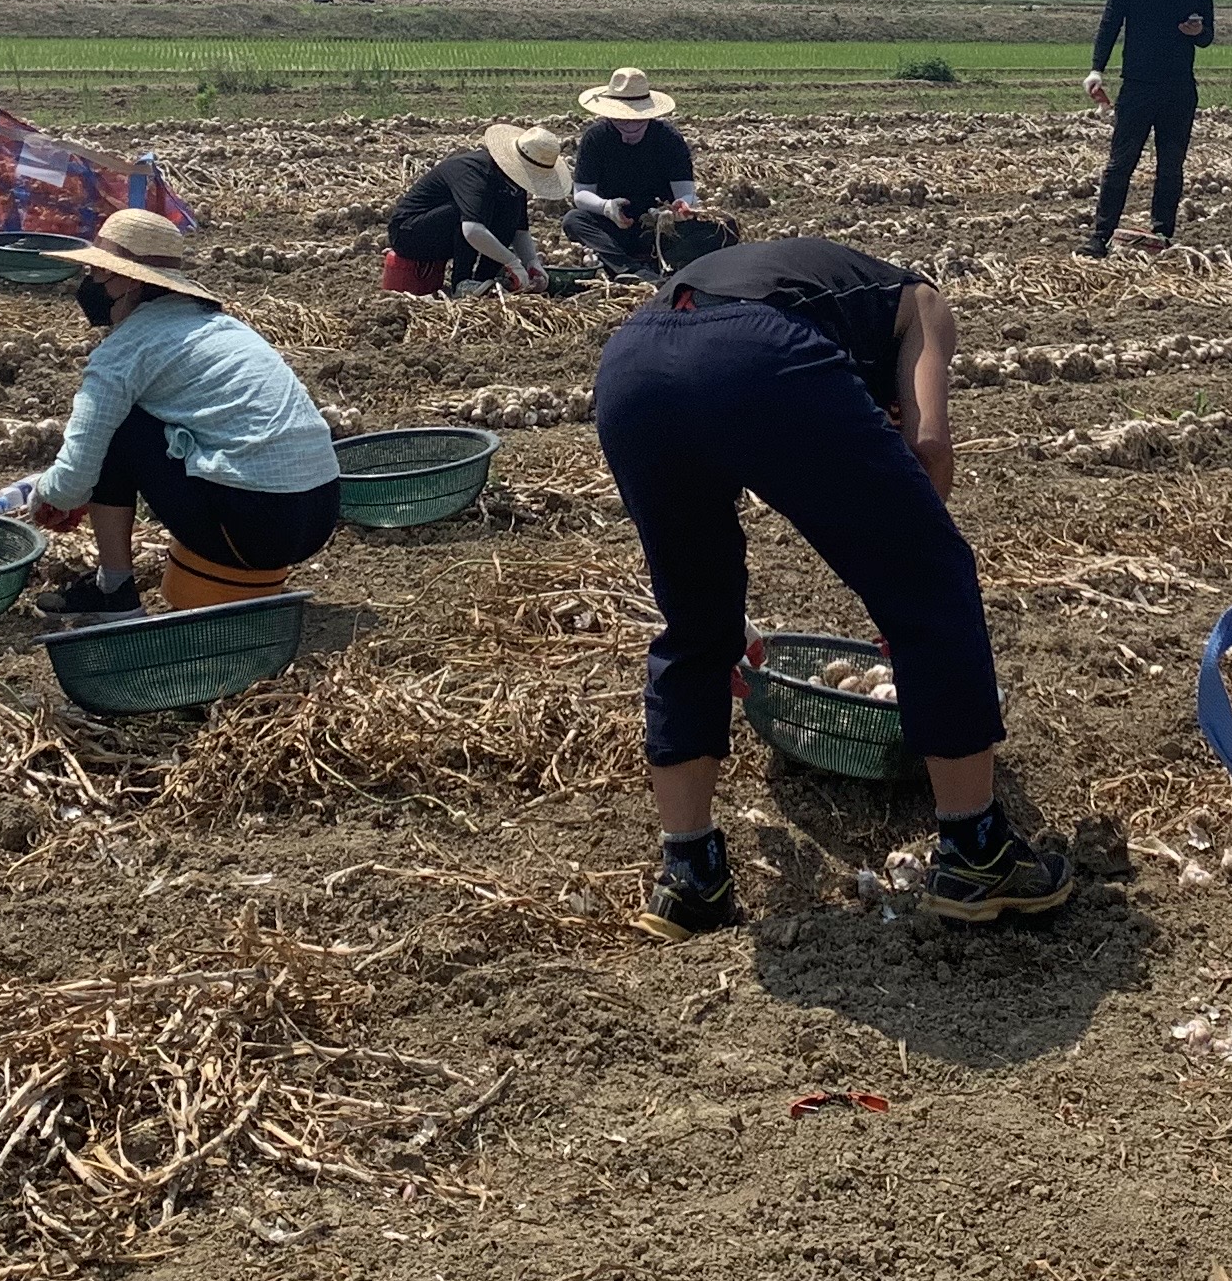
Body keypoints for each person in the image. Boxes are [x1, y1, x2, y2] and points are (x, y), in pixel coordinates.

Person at [592, 236, 1071, 932]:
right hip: (754, 352)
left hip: (632, 363)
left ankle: (688, 874)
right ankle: (978, 853)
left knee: (698, 624)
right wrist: (906, 602)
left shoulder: (805, 280)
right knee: (936, 579)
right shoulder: (924, 304)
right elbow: (929, 446)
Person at [3, 209, 343, 621]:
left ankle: (114, 592)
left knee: (120, 428)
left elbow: (72, 481)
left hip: (255, 529)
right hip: (320, 513)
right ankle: (120, 589)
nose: (87, 284)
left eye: (95, 273)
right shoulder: (220, 328)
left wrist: (46, 497)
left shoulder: (123, 353)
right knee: (145, 425)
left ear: (126, 281)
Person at [1082, 0, 1216, 257]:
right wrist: (1097, 70)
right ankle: (1100, 237)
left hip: (1179, 88)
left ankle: (1162, 234)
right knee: (1120, 164)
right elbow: (1110, 24)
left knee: (1171, 164)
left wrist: (1196, 32)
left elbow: (1208, 37)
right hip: (1138, 86)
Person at [383, 123, 572, 293]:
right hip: (409, 234)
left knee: (508, 214)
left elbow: (519, 229)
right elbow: (472, 229)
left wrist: (532, 263)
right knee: (468, 213)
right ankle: (461, 282)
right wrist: (511, 262)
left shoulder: (513, 184)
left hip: (447, 233)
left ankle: (484, 279)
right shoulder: (476, 173)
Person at [564, 67, 700, 276]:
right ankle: (630, 270)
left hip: (661, 226)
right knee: (574, 220)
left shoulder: (669, 139)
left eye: (637, 118)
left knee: (720, 227)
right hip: (615, 226)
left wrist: (681, 206)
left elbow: (686, 191)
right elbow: (581, 194)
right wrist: (606, 207)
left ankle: (661, 263)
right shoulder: (595, 138)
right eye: (620, 118)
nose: (629, 125)